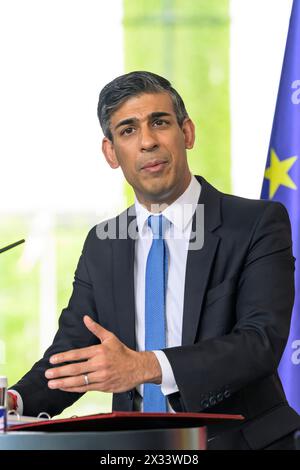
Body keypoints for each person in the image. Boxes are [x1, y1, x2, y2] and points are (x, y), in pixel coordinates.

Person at [8, 71, 300, 450]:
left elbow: (259, 342)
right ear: (111, 152)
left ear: (188, 133)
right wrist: (14, 402)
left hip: (246, 445)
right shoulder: (102, 243)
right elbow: (74, 355)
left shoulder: (257, 223)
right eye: (128, 130)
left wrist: (144, 366)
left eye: (159, 123)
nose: (147, 142)